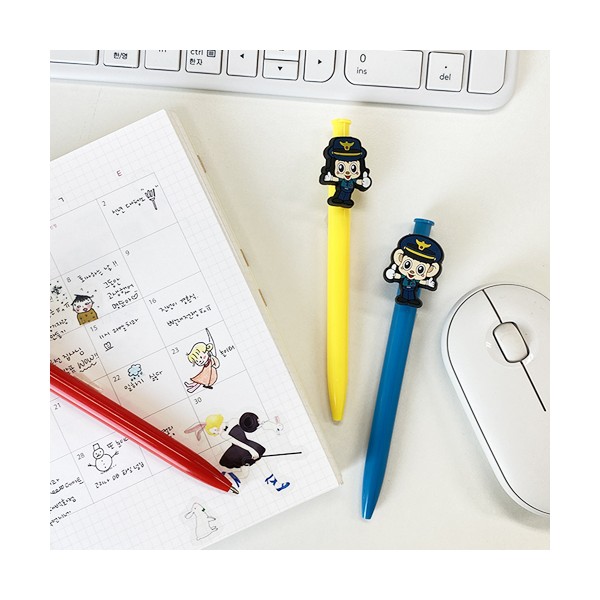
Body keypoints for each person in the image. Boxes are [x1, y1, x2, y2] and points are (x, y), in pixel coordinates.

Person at [384, 234, 444, 308]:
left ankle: (412, 300)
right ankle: (404, 298)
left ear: (430, 270)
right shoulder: (403, 276)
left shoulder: (416, 280)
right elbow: (398, 276)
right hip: (404, 288)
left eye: (420, 269)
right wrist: (391, 275)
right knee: (405, 293)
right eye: (407, 265)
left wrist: (427, 283)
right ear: (399, 258)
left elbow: (421, 282)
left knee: (411, 294)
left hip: (412, 288)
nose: (412, 271)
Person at [319, 136, 372, 207]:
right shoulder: (341, 178)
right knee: (341, 193)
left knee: (347, 195)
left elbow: (358, 182)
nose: (347, 172)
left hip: (349, 189)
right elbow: (337, 179)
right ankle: (339, 199)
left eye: (353, 168)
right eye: (341, 167)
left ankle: (346, 200)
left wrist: (364, 182)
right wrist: (330, 178)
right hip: (342, 187)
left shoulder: (353, 180)